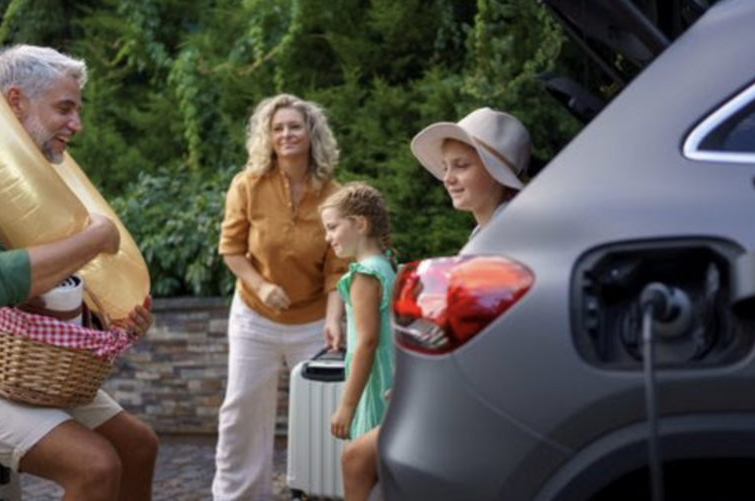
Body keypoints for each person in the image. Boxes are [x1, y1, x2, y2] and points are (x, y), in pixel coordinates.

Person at [0, 45, 158, 501]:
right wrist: (95, 239)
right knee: (94, 466)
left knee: (139, 447)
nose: (77, 124)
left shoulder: (34, 187)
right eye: (65, 108)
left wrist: (114, 318)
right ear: (15, 102)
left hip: (14, 366)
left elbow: (55, 289)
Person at [340, 107, 531, 501]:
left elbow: (495, 340)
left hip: (492, 405)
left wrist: (425, 388)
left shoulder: (506, 239)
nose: (448, 178)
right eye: (445, 167)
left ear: (497, 172)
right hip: (478, 395)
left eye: (461, 165)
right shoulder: (487, 233)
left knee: (356, 460)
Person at [213, 93, 347, 501]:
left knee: (321, 412)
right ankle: (237, 497)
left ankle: (319, 492)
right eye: (278, 128)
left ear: (311, 133)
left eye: (294, 126)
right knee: (242, 411)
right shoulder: (248, 185)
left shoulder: (334, 195)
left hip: (312, 322)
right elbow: (231, 250)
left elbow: (338, 268)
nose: (286, 134)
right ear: (268, 137)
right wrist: (262, 286)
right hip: (254, 317)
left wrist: (333, 319)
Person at [320, 182, 396, 445]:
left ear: (361, 224)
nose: (327, 237)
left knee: (363, 462)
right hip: (390, 377)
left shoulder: (364, 275)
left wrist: (346, 407)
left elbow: (367, 342)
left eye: (332, 227)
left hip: (375, 384)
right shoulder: (386, 265)